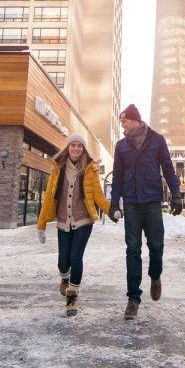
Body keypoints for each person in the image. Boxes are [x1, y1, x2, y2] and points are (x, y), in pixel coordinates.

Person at [108, 104, 181, 321]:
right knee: (132, 249)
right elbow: (117, 176)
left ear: (135, 120)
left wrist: (176, 195)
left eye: (125, 122)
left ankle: (155, 276)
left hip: (151, 201)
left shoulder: (156, 140)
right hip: (131, 202)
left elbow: (168, 168)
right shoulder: (121, 146)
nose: (122, 125)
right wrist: (114, 203)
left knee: (156, 246)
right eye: (121, 122)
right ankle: (133, 298)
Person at [36, 133, 109, 317]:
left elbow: (98, 196)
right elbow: (49, 197)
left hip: (84, 220)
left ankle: (72, 299)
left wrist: (112, 211)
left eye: (79, 146)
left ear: (83, 149)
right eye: (73, 145)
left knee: (76, 257)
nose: (76, 148)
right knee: (63, 262)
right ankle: (64, 277)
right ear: (68, 148)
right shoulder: (57, 169)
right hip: (63, 221)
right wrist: (41, 224)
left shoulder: (90, 169)